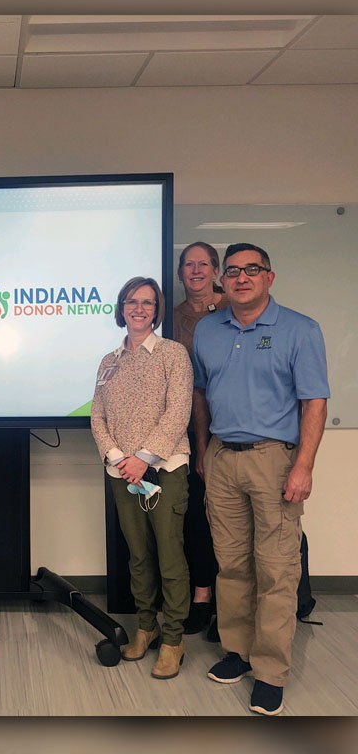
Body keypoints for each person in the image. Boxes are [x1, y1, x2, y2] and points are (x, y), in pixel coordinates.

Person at [192, 242, 328, 716]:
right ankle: (239, 652)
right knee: (231, 564)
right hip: (222, 459)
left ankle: (270, 673)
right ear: (222, 280)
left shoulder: (300, 329)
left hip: (275, 461)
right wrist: (205, 449)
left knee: (276, 569)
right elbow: (202, 395)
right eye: (232, 271)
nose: (241, 277)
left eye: (252, 270)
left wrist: (304, 464)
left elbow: (314, 401)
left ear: (269, 276)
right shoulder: (208, 330)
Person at [91, 277, 193, 679]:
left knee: (169, 555)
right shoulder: (108, 361)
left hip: (164, 470)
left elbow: (178, 411)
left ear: (157, 309)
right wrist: (119, 458)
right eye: (132, 301)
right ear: (121, 308)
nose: (139, 308)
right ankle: (146, 628)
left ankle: (173, 639)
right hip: (121, 473)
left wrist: (144, 460)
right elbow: (97, 415)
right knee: (138, 556)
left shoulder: (173, 354)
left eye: (148, 303)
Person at [173, 242, 228, 638]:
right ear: (180, 273)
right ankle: (203, 597)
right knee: (195, 518)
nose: (196, 271)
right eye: (188, 265)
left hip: (233, 428)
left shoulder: (237, 309)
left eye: (203, 264)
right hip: (188, 432)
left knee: (233, 521)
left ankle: (234, 605)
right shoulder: (171, 319)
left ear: (216, 270)